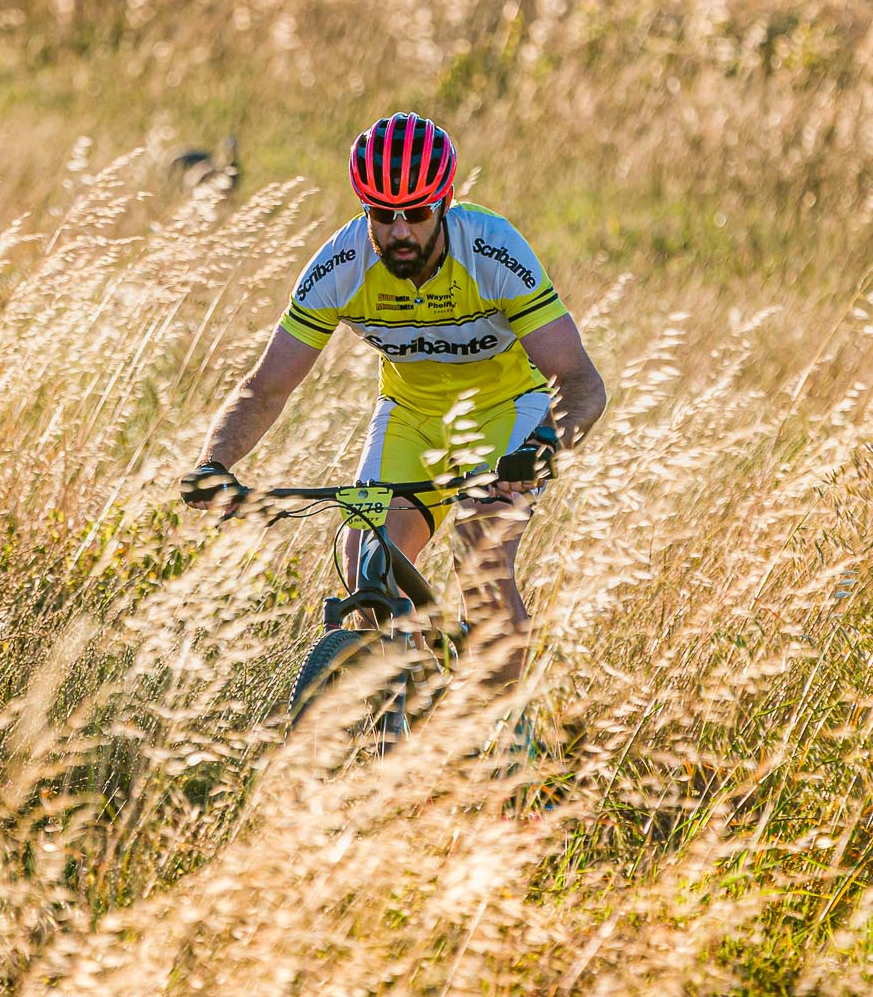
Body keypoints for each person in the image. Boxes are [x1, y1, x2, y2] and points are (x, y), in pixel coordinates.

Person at [180, 112, 605, 675]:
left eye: (417, 213)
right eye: (382, 214)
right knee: (367, 570)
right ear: (365, 210)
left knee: (479, 553)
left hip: (509, 412)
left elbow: (582, 382)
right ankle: (413, 702)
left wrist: (540, 448)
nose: (399, 231)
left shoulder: (494, 250)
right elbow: (265, 388)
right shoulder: (341, 266)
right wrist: (214, 463)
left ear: (446, 202)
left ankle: (504, 741)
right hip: (411, 414)